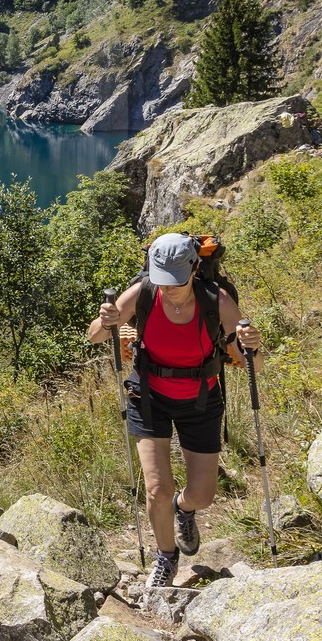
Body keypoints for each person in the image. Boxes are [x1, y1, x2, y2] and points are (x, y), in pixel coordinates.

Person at [87, 231, 263, 593]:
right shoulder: (144, 292)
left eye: (176, 282)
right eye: (161, 279)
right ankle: (165, 558)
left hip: (201, 398)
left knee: (203, 494)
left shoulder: (217, 300)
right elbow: (94, 337)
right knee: (156, 489)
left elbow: (253, 366)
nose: (168, 288)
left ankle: (185, 509)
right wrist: (107, 320)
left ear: (194, 268)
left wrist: (253, 347)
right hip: (148, 397)